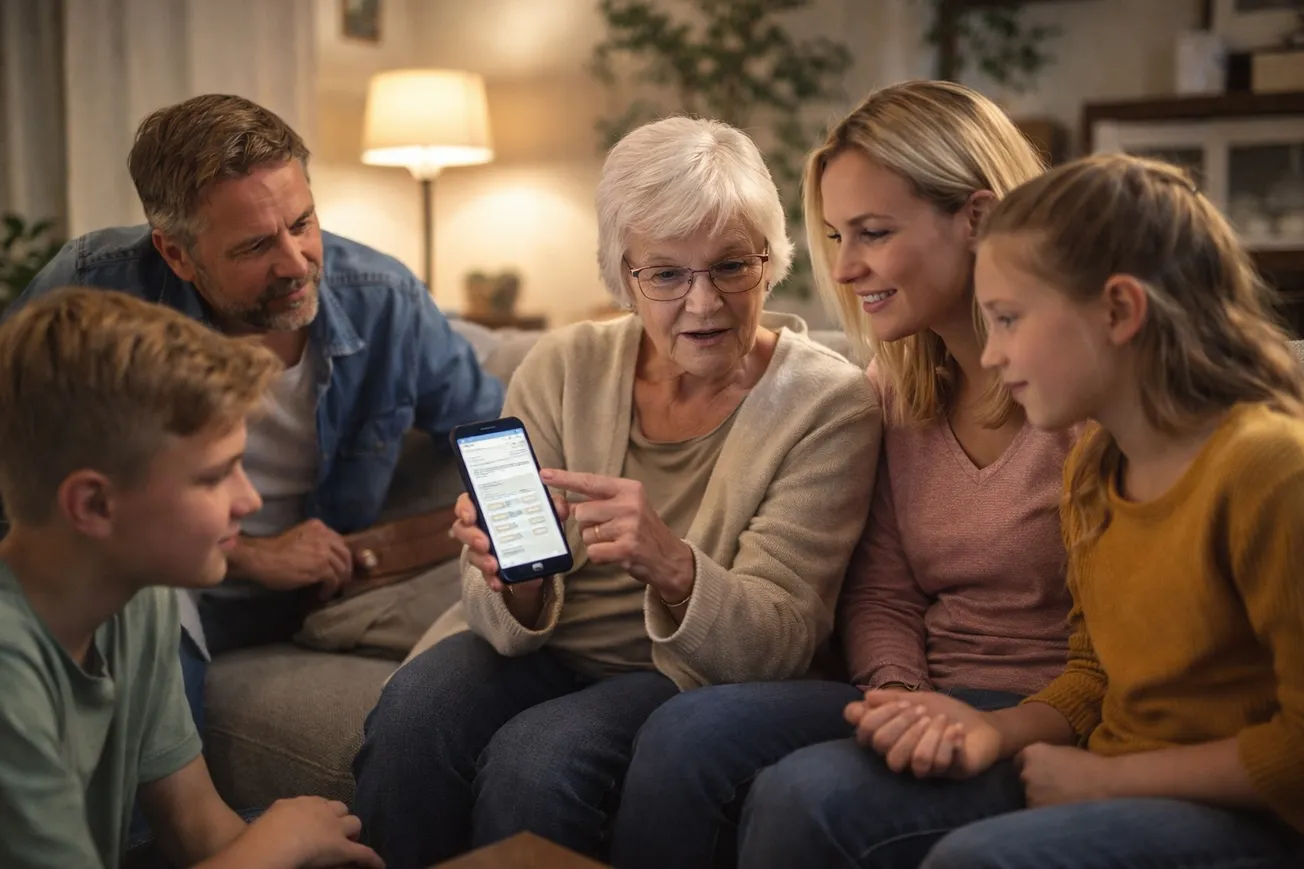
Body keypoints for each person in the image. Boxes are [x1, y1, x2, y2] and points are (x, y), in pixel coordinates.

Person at [350, 115, 882, 868]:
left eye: (731, 266)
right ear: (621, 275)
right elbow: (493, 601)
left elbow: (784, 637)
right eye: (666, 274)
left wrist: (671, 561)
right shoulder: (563, 365)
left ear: (771, 261)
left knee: (538, 756)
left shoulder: (828, 404)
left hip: (678, 678)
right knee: (414, 712)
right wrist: (511, 579)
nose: (703, 304)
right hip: (545, 649)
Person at [612, 80, 1076, 869]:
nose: (847, 266)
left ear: (980, 217)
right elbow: (883, 588)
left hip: (1043, 711)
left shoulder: (1081, 387)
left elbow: (1125, 644)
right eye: (833, 234)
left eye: (873, 231)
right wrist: (897, 694)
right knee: (688, 730)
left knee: (803, 794)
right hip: (918, 689)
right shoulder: (894, 385)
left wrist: (981, 721)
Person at [850, 153, 1304, 869]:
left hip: (1255, 817)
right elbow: (1094, 674)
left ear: (1120, 310)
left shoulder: (1270, 469)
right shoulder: (1095, 469)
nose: (992, 355)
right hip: (1116, 775)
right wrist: (991, 733)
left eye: (1007, 319)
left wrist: (1109, 779)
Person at [10, 93, 504, 729]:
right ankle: (159, 833)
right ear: (176, 253)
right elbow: (21, 462)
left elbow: (492, 440)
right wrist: (250, 553)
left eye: (302, 224)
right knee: (151, 602)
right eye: (254, 247)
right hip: (164, 571)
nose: (297, 265)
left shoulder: (384, 300)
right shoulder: (95, 289)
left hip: (318, 592)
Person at [0, 287, 383, 869]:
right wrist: (276, 846)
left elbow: (193, 822)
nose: (249, 500)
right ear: (94, 505)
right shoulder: (10, 673)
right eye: (214, 477)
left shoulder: (140, 596)